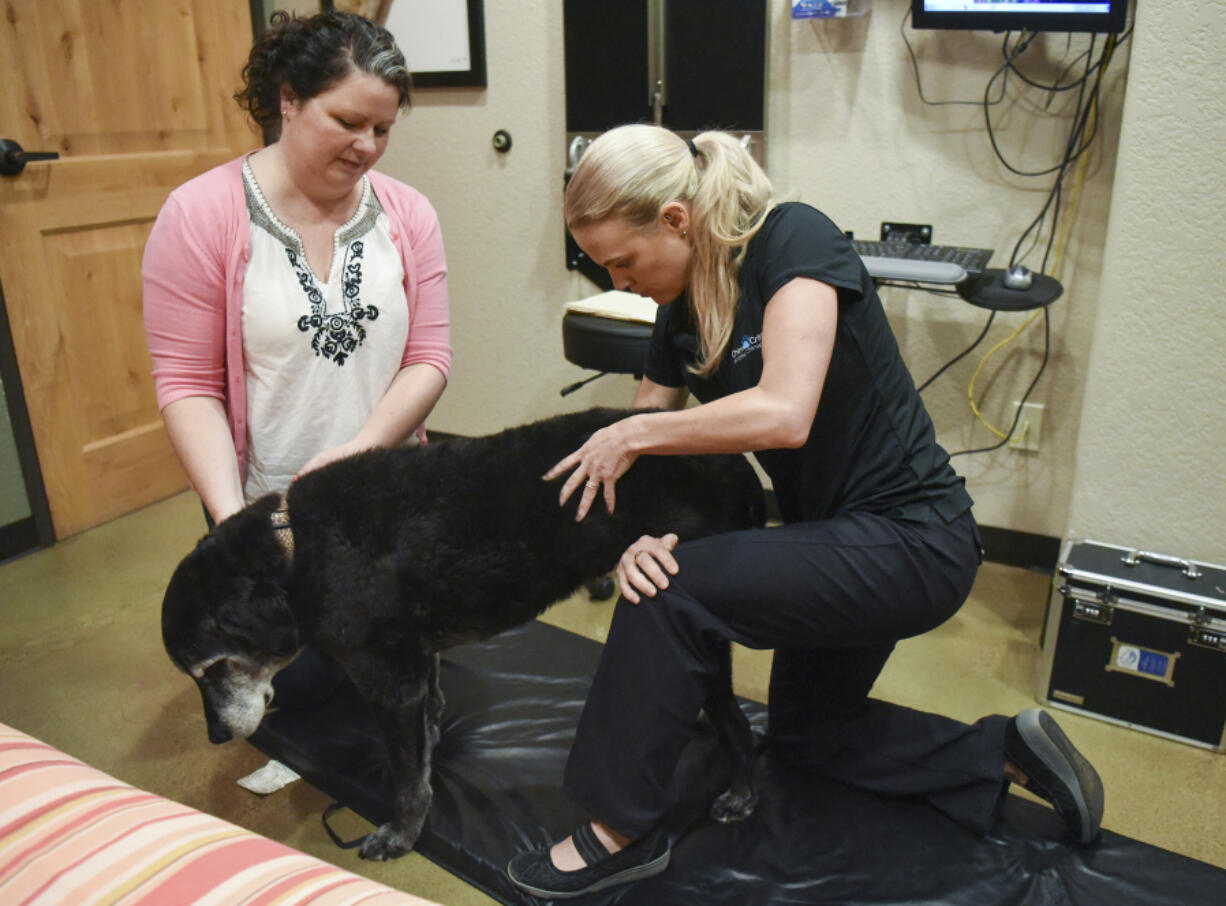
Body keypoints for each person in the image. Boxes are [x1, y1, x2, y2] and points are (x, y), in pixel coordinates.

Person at [506, 124, 1103, 899]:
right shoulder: (677, 315)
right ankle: (1003, 754)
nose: (618, 279)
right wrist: (642, 534)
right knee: (805, 735)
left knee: (672, 594)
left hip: (914, 539)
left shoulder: (792, 239)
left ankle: (616, 830)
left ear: (678, 222)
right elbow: (648, 466)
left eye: (623, 260)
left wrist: (634, 434)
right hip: (832, 541)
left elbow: (784, 410)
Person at [143, 9, 451, 530]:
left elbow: (428, 358)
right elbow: (188, 384)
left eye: (382, 129)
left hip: (389, 482)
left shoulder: (409, 213)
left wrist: (357, 452)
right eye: (348, 123)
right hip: (267, 504)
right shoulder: (199, 215)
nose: (368, 147)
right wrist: (232, 524)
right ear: (288, 100)